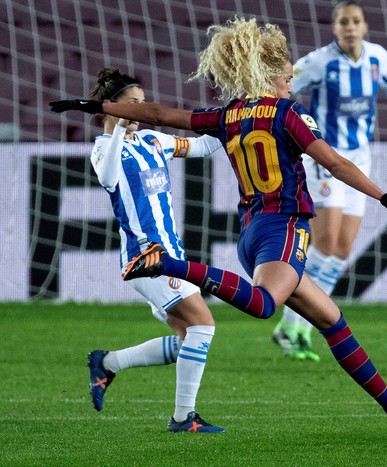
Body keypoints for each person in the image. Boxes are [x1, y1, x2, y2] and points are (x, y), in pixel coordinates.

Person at [51, 16, 387, 431]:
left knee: (332, 321)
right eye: (286, 77)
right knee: (263, 306)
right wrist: (386, 198)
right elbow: (333, 162)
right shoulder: (286, 112)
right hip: (282, 229)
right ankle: (167, 265)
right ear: (267, 76)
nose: (290, 84)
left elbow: (160, 114)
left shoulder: (230, 114)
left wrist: (100, 106)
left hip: (254, 235)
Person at [270, 0, 387, 361]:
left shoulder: (377, 58)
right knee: (324, 243)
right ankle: (291, 325)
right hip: (325, 156)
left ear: (365, 26)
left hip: (359, 157)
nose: (349, 27)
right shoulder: (319, 61)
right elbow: (283, 86)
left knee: (342, 250)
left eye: (355, 21)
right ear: (334, 28)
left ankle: (297, 327)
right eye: (343, 22)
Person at [85, 69, 225, 432]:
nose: (142, 110)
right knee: (203, 327)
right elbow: (108, 178)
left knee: (188, 340)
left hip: (172, 256)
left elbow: (202, 145)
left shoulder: (152, 140)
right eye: (133, 105)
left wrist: (237, 117)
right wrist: (117, 127)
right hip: (146, 258)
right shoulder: (103, 150)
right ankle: (182, 418)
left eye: (143, 104)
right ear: (112, 108)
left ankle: (108, 362)